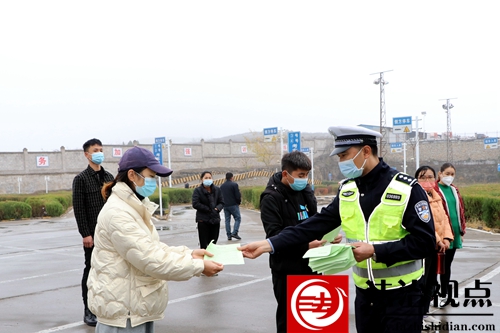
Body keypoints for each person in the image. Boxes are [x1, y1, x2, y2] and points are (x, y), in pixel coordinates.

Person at [239, 125, 436, 333]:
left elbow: (425, 243)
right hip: (365, 296)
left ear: (366, 151)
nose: (341, 162)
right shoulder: (348, 190)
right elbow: (313, 225)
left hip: (402, 297)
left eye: (345, 155)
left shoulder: (406, 189)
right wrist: (269, 244)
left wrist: (376, 251)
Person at [87, 146, 223, 332]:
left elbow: (152, 247)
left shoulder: (132, 207)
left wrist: (189, 254)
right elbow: (150, 259)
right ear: (132, 175)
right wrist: (197, 266)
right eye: (150, 176)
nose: (153, 182)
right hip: (123, 315)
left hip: (133, 308)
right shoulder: (118, 213)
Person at [260, 151, 328, 333]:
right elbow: (274, 235)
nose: (304, 180)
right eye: (300, 175)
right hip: (287, 269)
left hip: (311, 264)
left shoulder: (305, 192)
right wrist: (305, 245)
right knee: (289, 320)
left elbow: (315, 222)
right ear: (285, 174)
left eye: (306, 175)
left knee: (313, 319)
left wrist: (325, 235)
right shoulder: (270, 198)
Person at [72, 138, 114, 327]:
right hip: (93, 235)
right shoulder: (81, 179)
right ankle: (89, 309)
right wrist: (85, 234)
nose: (99, 152)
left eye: (101, 149)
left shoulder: (109, 177)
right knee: (91, 270)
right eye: (95, 150)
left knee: (111, 270)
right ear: (87, 155)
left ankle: (107, 307)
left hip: (110, 234)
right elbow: (79, 208)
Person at [415, 166, 454, 327]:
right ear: (416, 179)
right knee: (421, 282)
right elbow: (426, 221)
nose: (427, 181)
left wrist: (446, 238)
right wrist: (438, 240)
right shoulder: (416, 196)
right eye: (422, 177)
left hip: (436, 246)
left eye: (430, 177)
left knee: (431, 281)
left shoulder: (436, 195)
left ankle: (425, 312)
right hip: (424, 245)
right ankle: (418, 316)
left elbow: (444, 218)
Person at [436, 162, 466, 308]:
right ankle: (433, 294)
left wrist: (461, 231)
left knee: (446, 266)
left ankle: (444, 294)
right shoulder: (435, 190)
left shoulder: (454, 190)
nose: (449, 177)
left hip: (454, 234)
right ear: (440, 174)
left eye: (452, 174)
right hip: (440, 235)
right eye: (447, 173)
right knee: (435, 267)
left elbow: (460, 211)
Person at [192, 171, 224, 249]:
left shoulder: (217, 190)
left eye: (209, 178)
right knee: (204, 245)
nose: (208, 179)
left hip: (215, 219)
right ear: (201, 179)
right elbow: (195, 203)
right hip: (203, 220)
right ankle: (203, 260)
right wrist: (208, 209)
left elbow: (222, 202)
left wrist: (217, 209)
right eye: (206, 178)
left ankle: (211, 259)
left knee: (213, 244)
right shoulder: (198, 191)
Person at [220, 172, 242, 240]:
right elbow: (237, 195)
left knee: (227, 220)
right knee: (238, 218)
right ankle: (234, 232)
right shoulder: (234, 184)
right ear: (232, 177)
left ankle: (229, 235)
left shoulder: (222, 186)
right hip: (233, 204)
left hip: (225, 205)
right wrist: (238, 202)